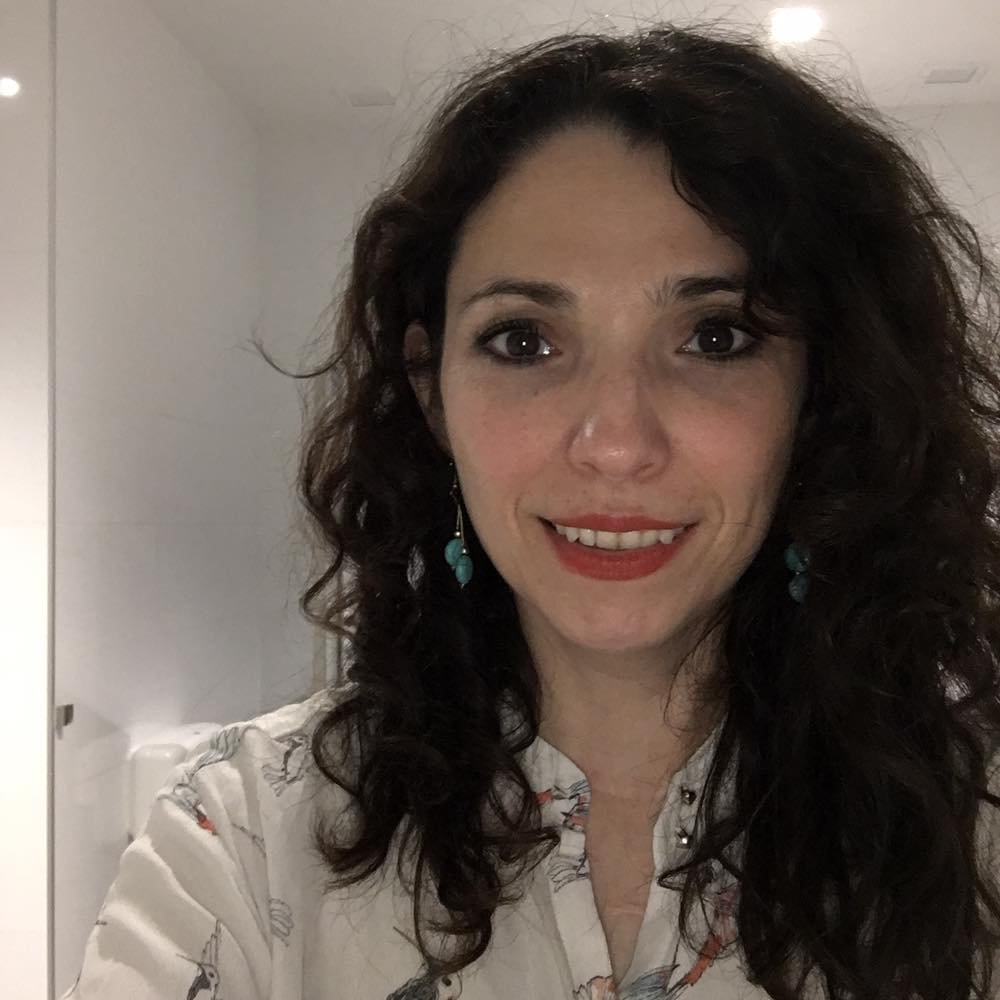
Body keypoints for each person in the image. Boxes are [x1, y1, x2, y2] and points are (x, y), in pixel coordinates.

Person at [63, 21, 1000, 1000]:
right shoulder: (241, 837)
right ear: (432, 392)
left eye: (715, 336)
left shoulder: (973, 822)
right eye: (523, 341)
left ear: (819, 392)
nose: (617, 441)